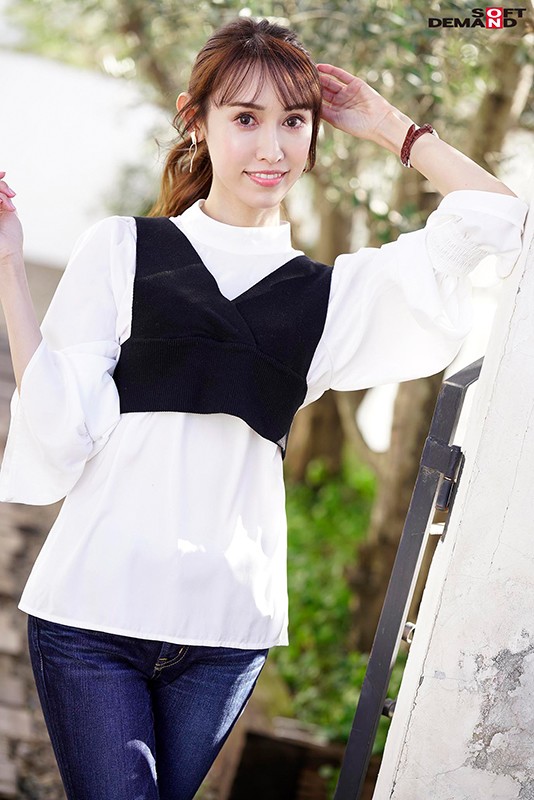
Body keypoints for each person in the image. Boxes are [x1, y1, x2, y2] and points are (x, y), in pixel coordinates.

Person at [0, 16, 528, 800]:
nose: (272, 148)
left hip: (225, 636)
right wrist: (10, 261)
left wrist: (387, 123)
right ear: (197, 120)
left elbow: (496, 215)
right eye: (245, 118)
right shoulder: (123, 250)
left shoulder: (332, 298)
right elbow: (58, 425)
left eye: (294, 122)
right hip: (93, 615)